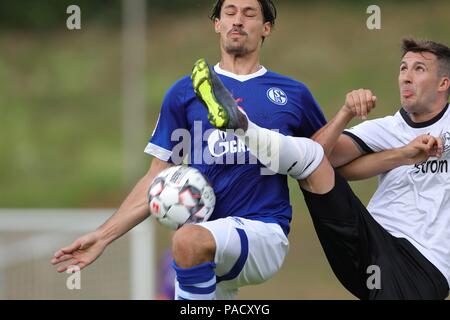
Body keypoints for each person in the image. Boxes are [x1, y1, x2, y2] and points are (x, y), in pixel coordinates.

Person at [51, 0, 327, 300]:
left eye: (249, 14)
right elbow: (157, 177)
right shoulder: (185, 92)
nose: (238, 20)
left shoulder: (292, 94)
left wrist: (354, 125)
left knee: (186, 240)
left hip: (262, 230)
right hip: (204, 243)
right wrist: (103, 237)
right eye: (230, 12)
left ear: (266, 28)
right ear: (217, 24)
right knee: (189, 248)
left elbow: (327, 157)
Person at [194, 38, 450, 299]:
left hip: (421, 264)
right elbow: (319, 157)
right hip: (366, 244)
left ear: (443, 83)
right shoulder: (387, 128)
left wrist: (410, 154)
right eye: (403, 68)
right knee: (311, 161)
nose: (406, 77)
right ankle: (242, 124)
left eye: (419, 69)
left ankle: (243, 126)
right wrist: (347, 113)